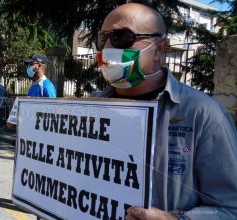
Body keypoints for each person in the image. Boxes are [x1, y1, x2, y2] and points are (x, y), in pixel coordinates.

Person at [93, 3, 237, 219]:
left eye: (121, 37)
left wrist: (176, 218)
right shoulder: (92, 107)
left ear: (159, 49)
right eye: (103, 38)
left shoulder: (203, 114)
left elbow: (230, 208)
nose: (107, 48)